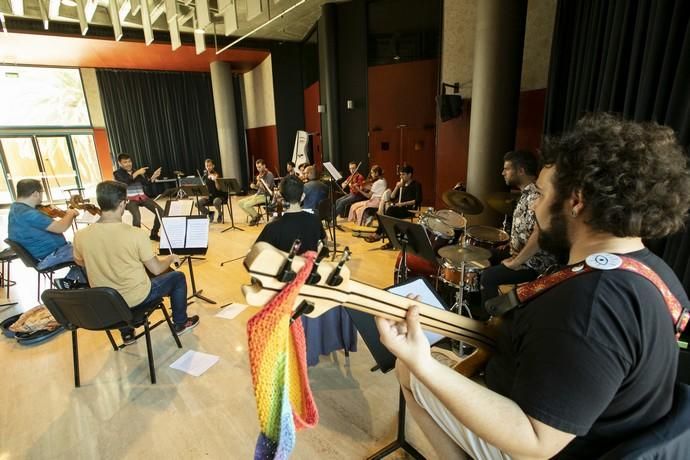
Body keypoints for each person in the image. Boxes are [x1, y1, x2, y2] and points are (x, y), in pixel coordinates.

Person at [375, 114, 690, 459]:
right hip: (595, 428)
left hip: (546, 445)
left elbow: (535, 442)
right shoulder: (657, 272)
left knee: (411, 373)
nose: (536, 205)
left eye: (540, 194)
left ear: (577, 201)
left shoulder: (590, 304)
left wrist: (422, 362)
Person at [73, 181, 199, 344]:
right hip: (136, 299)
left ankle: (127, 334)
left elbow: (80, 262)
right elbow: (156, 269)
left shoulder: (80, 235)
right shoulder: (136, 234)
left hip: (106, 302)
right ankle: (181, 323)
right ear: (121, 204)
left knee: (113, 283)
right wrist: (170, 258)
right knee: (177, 277)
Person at [256, 175, 356, 366]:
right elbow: (322, 245)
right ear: (302, 196)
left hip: (288, 287)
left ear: (281, 198)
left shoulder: (273, 227)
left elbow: (259, 257)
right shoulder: (314, 220)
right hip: (312, 280)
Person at [480, 150, 559, 306]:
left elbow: (539, 235)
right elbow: (527, 229)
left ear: (521, 170)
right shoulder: (525, 194)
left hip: (535, 263)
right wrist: (512, 244)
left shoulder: (537, 195)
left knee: (488, 277)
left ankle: (488, 319)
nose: (503, 173)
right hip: (520, 254)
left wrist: (515, 262)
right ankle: (481, 302)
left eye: (507, 169)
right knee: (483, 254)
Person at [7, 178, 86, 284]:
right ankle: (74, 282)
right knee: (92, 252)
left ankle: (72, 281)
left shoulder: (15, 209)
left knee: (87, 249)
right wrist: (70, 213)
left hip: (46, 254)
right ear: (35, 193)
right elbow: (60, 227)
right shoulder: (29, 214)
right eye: (41, 192)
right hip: (51, 256)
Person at [365, 165, 422, 246]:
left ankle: (380, 234)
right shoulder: (401, 185)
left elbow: (418, 200)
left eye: (403, 174)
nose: (401, 177)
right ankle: (391, 240)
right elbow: (392, 198)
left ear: (409, 175)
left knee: (389, 213)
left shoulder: (416, 185)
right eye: (400, 175)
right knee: (388, 214)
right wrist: (397, 187)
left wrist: (402, 204)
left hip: (409, 210)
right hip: (399, 209)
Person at [113, 153, 164, 241]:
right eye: (125, 162)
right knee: (137, 217)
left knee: (161, 212)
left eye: (129, 161)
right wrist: (137, 173)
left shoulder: (136, 171)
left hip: (142, 197)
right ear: (120, 163)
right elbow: (125, 183)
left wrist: (153, 177)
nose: (128, 164)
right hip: (130, 199)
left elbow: (146, 183)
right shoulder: (117, 173)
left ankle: (154, 233)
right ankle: (137, 239)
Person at [239, 159, 274, 226]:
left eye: (260, 167)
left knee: (246, 205)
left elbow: (266, 189)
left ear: (264, 166)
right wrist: (254, 186)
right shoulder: (260, 174)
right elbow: (258, 188)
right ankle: (254, 216)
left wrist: (260, 181)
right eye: (257, 167)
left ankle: (256, 217)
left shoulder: (269, 174)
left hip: (266, 196)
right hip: (258, 194)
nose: (258, 169)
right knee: (240, 203)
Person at [196, 158, 225, 223]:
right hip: (209, 196)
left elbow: (219, 189)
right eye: (207, 166)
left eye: (210, 165)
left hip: (218, 196)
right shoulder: (205, 176)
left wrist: (215, 180)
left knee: (216, 202)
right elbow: (205, 189)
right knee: (197, 203)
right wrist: (204, 195)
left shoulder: (217, 174)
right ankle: (210, 213)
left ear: (213, 166)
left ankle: (220, 214)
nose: (208, 167)